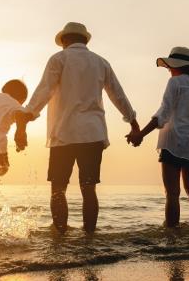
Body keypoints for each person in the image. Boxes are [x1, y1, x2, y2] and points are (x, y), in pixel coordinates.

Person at [14, 22, 139, 233]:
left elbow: (44, 91)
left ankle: (60, 237)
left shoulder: (59, 59)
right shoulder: (101, 62)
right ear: (85, 40)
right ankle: (89, 239)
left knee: (58, 189)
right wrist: (134, 124)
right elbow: (118, 94)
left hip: (64, 134)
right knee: (89, 189)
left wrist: (26, 117)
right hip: (93, 134)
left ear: (64, 40)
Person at [128, 47, 189, 227]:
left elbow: (163, 114)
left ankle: (172, 234)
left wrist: (140, 134)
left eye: (170, 67)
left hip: (173, 143)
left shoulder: (175, 83)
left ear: (177, 66)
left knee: (172, 193)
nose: (169, 70)